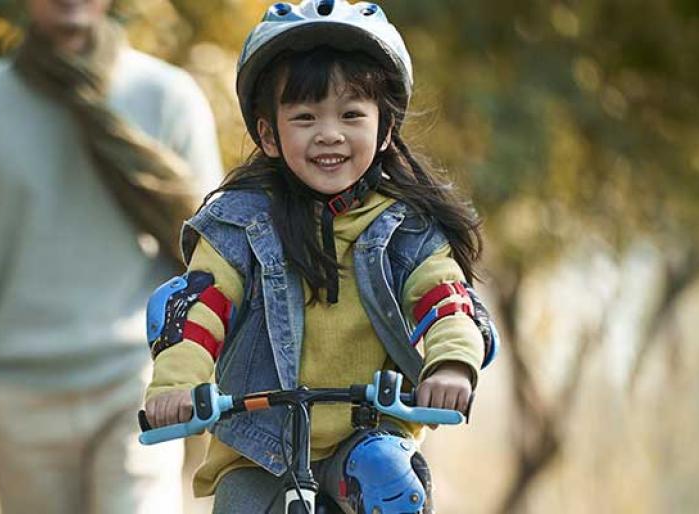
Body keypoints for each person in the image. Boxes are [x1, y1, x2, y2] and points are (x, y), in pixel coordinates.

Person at [140, 1, 500, 512]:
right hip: (260, 446)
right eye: (305, 117)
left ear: (385, 130)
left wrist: (451, 366)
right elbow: (202, 306)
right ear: (268, 134)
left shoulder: (406, 228)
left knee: (391, 483)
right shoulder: (237, 225)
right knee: (241, 504)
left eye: (352, 114)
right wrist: (178, 384)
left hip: (369, 433)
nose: (329, 133)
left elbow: (445, 299)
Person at [0, 0, 224, 511]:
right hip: (19, 393)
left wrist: (185, 373)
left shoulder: (167, 95)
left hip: (133, 384)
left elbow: (215, 256)